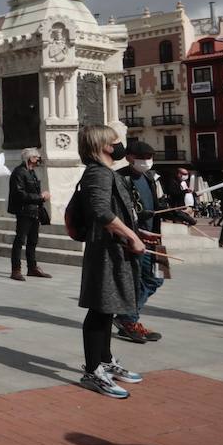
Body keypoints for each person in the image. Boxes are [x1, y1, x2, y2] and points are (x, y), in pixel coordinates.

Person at [73, 125, 146, 399]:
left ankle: (104, 360)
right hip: (105, 249)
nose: (120, 145)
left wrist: (137, 232)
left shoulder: (105, 172)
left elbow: (114, 210)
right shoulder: (97, 173)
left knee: (108, 307)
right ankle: (93, 371)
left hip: (114, 247)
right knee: (100, 308)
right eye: (115, 141)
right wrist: (131, 235)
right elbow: (100, 211)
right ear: (103, 146)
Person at [114, 142, 195, 343]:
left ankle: (126, 318)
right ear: (129, 157)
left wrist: (178, 214)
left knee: (159, 277)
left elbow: (159, 205)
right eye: (142, 157)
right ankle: (129, 321)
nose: (147, 161)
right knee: (137, 280)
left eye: (150, 157)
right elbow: (119, 211)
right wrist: (138, 221)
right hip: (137, 238)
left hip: (155, 237)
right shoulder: (120, 178)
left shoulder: (151, 177)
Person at [7, 147, 52, 281]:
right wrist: (40, 197)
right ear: (30, 158)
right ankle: (16, 269)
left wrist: (39, 199)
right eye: (37, 157)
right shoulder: (19, 172)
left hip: (34, 211)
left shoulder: (31, 172)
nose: (38, 160)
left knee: (33, 241)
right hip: (24, 211)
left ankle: (32, 267)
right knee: (20, 240)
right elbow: (20, 194)